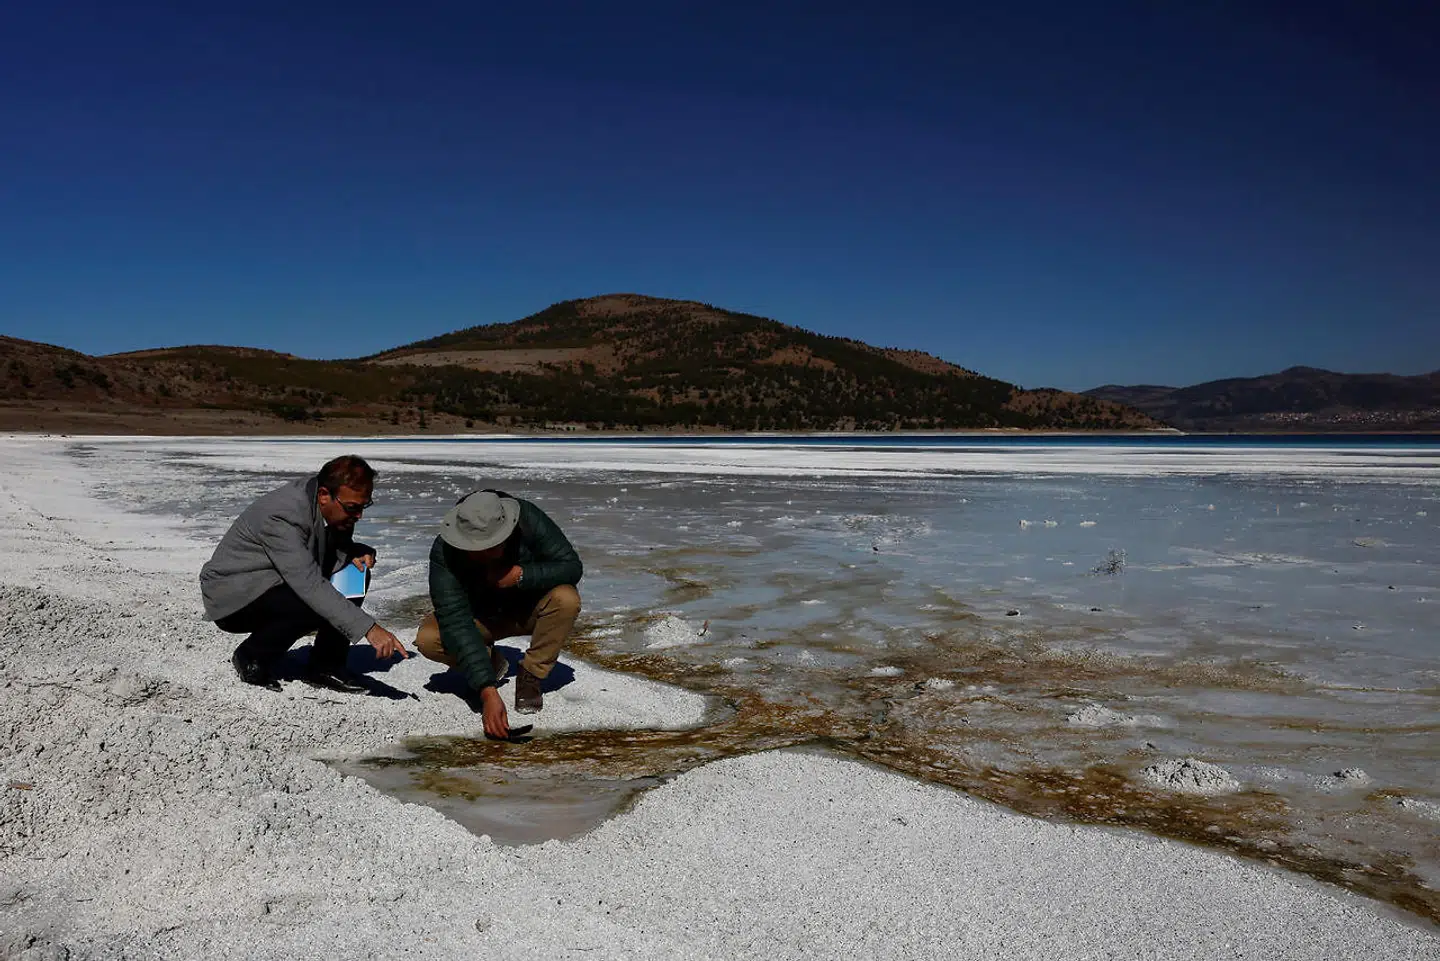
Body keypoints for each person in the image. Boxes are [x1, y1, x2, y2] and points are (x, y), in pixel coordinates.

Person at [200, 455, 409, 692]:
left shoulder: (329, 501)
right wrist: (369, 628)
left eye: (364, 506)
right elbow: (308, 583)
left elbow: (326, 547)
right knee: (310, 601)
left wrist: (353, 551)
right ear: (324, 495)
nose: (359, 515)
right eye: (353, 508)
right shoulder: (283, 515)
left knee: (354, 573)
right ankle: (252, 655)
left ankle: (326, 665)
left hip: (275, 580)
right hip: (234, 595)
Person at [417, 488, 582, 738]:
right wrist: (487, 691)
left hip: (530, 609)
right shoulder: (445, 550)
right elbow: (454, 619)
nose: (481, 554)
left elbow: (570, 567)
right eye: (474, 548)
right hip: (482, 617)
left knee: (566, 599)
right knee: (429, 638)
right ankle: (490, 664)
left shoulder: (528, 519)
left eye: (489, 546)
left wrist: (521, 576)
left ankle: (531, 674)